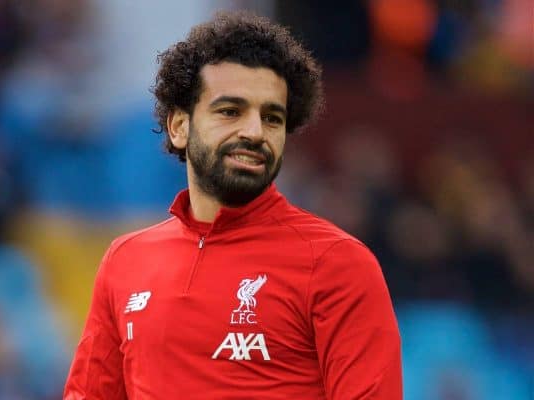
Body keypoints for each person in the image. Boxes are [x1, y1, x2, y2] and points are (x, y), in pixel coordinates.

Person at [64, 11, 402, 400]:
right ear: (179, 127)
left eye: (272, 118)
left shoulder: (337, 264)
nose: (255, 132)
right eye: (230, 111)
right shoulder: (124, 260)